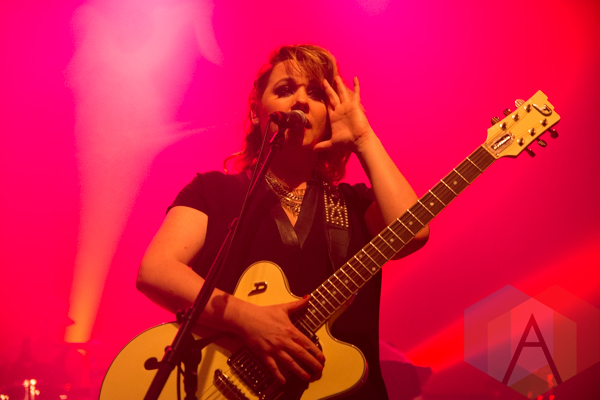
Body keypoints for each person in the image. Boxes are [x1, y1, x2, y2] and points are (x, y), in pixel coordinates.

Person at [136, 44, 429, 399]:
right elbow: (156, 271)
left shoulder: (355, 204)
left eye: (316, 93)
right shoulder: (213, 191)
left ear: (329, 117)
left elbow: (414, 232)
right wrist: (247, 318)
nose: (301, 100)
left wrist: (363, 139)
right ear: (257, 113)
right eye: (286, 89)